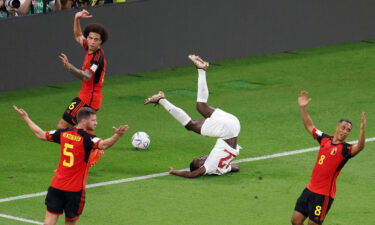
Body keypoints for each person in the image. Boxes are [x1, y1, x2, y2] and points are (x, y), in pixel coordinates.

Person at [14, 105, 128, 225]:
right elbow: (104, 145)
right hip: (74, 191)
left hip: (56, 187)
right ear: (84, 120)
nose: (96, 123)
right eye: (93, 120)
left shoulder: (63, 133)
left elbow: (41, 134)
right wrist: (118, 135)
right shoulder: (88, 138)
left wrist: (25, 117)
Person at [144, 54, 241, 178]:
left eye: (198, 157)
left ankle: (201, 69)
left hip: (235, 126)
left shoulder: (218, 168)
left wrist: (225, 167)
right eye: (199, 161)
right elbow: (192, 174)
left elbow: (236, 168)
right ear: (202, 167)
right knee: (190, 125)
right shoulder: (210, 166)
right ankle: (161, 100)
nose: (201, 157)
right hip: (227, 129)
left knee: (201, 106)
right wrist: (174, 172)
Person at [291, 91, 366, 225]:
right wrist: (303, 108)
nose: (345, 131)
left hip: (323, 195)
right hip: (310, 189)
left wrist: (362, 130)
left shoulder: (345, 150)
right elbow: (310, 126)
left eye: (348, 130)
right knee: (295, 220)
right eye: (343, 127)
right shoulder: (325, 139)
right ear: (337, 127)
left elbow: (360, 147)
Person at [58, 9, 108, 129]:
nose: (91, 42)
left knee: (62, 127)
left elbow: (86, 76)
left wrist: (70, 67)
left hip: (88, 100)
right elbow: (78, 35)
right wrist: (77, 18)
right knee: (75, 131)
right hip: (85, 97)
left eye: (96, 39)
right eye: (90, 38)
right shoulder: (89, 48)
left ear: (101, 41)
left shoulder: (97, 58)